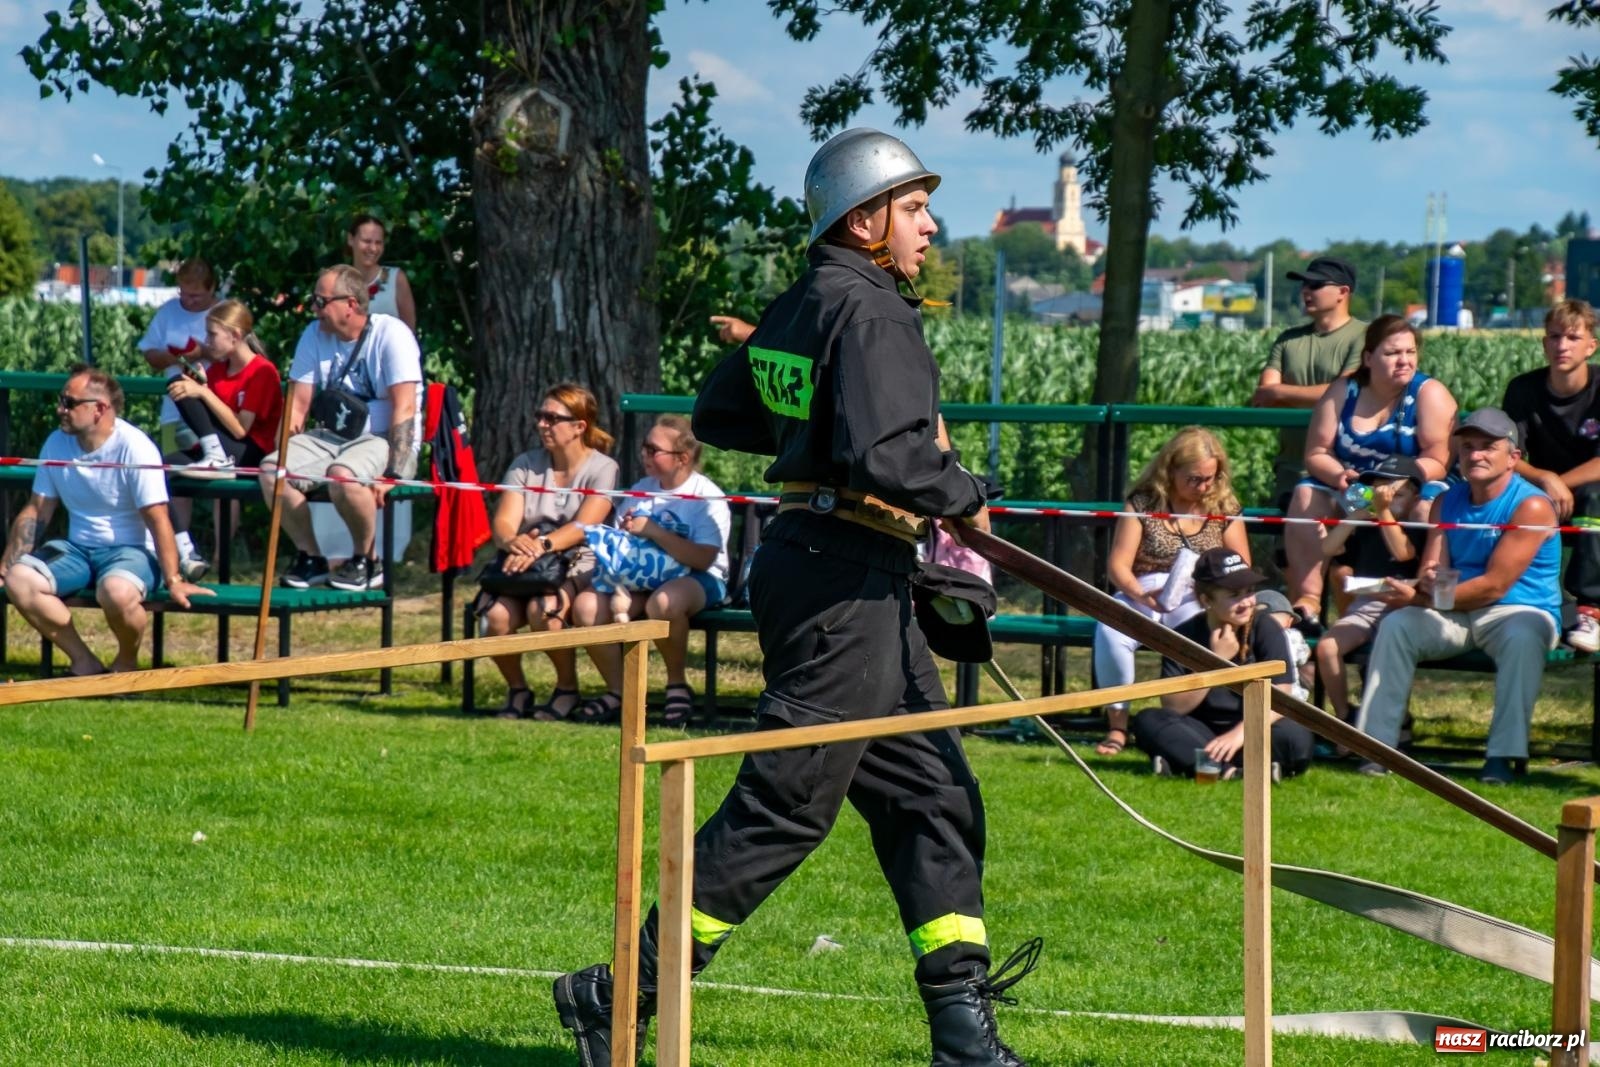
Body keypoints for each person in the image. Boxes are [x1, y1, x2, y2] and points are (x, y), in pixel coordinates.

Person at [553, 128, 1039, 1067]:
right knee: (788, 803)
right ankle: (619, 992)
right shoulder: (874, 310)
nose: (929, 227)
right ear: (864, 221)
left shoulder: (804, 301)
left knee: (933, 794)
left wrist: (816, 434)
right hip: (841, 579)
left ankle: (962, 1037)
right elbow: (891, 455)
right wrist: (964, 490)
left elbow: (721, 412)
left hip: (839, 565)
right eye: (914, 208)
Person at [1355, 408, 1561, 784]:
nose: (1475, 454)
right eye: (1467, 447)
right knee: (1398, 625)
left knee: (1523, 635)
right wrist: (1422, 584)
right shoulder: (1445, 501)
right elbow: (1432, 569)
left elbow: (1494, 585)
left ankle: (1503, 756)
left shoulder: (1531, 506)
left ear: (1513, 457)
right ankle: (1376, 748)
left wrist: (1421, 598)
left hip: (1517, 610)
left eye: (1487, 447)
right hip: (1454, 610)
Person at [0, 367, 211, 675]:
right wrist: (5, 568)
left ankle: (126, 662)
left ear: (99, 409)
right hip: (78, 550)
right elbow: (37, 511)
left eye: (69, 403)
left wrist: (174, 580)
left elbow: (158, 519)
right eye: (61, 401)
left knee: (116, 592)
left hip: (134, 551)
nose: (60, 410)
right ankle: (84, 661)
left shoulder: (135, 447)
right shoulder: (56, 443)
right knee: (20, 581)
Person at [1284, 315, 1456, 631]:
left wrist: (1398, 483)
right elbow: (1317, 452)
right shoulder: (1343, 390)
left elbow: (1438, 458)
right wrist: (1338, 476)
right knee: (1306, 494)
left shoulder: (1428, 393)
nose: (1404, 360)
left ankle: (1422, 592)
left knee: (1425, 508)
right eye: (1392, 353)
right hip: (1353, 486)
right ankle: (1308, 601)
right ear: (1368, 358)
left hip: (1411, 485)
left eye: (1410, 352)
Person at [259, 264, 422, 592]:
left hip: (382, 437)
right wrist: (286, 457)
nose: (314, 307)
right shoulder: (313, 335)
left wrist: (394, 473)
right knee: (270, 472)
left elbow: (404, 407)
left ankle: (367, 560)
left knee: (342, 476)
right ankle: (311, 557)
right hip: (331, 435)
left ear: (350, 304)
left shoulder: (392, 334)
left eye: (321, 301)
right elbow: (297, 407)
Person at [1092, 426, 1251, 757]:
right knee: (1110, 631)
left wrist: (1212, 593)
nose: (1203, 486)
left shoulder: (1225, 505)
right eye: (1194, 479)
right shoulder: (1143, 502)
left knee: (1202, 633)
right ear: (1170, 470)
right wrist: (1141, 595)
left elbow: (1241, 566)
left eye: (1209, 478)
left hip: (1201, 594)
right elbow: (1118, 566)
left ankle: (1190, 718)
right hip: (1144, 590)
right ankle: (1117, 725)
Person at [569, 415, 730, 726]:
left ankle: (676, 684)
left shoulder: (706, 497)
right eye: (644, 448)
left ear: (683, 458)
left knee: (664, 603)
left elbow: (703, 559)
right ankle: (622, 692)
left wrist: (654, 531)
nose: (644, 455)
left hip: (698, 578)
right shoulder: (641, 489)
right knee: (586, 607)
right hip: (641, 578)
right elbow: (621, 546)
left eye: (653, 450)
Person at [480, 384, 618, 720]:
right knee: (494, 618)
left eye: (552, 418)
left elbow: (585, 525)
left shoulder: (603, 468)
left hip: (579, 558)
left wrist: (541, 545)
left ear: (579, 426)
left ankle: (567, 689)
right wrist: (514, 543)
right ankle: (518, 689)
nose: (542, 424)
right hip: (527, 558)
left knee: (543, 610)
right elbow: (504, 523)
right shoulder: (525, 464)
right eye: (540, 416)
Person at [1133, 547, 1313, 780]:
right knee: (1148, 720)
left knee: (1296, 737)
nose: (1247, 602)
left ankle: (1198, 764)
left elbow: (1282, 697)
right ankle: (1237, 769)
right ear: (1206, 600)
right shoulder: (1184, 635)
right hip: (1197, 728)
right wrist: (1215, 664)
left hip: (1252, 726)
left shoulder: (1265, 627)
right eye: (1234, 595)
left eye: (1250, 592)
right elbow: (1174, 707)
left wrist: (1239, 735)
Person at [1501, 299, 1600, 651]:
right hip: (1538, 492)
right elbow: (1507, 456)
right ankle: (1504, 600)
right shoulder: (1523, 389)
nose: (1562, 346)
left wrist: (1559, 483)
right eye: (1555, 337)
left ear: (1591, 346)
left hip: (1589, 497)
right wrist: (1544, 479)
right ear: (1544, 344)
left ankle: (1589, 608)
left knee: (1594, 497)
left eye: (1573, 337)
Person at [1312, 455, 1425, 729]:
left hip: (1402, 609)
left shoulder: (1419, 528)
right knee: (1327, 647)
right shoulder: (1365, 528)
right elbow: (1328, 549)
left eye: (1396, 493)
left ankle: (1397, 721)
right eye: (1379, 491)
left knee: (1388, 658)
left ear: (1415, 498)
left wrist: (1384, 513)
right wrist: (1354, 518)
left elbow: (1403, 553)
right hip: (1365, 606)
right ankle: (1344, 717)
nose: (1386, 498)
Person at [1250, 256, 1367, 507]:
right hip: (1292, 467)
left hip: (1349, 469)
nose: (1305, 291)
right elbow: (1263, 398)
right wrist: (1325, 396)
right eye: (1304, 285)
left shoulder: (1365, 336)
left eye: (1315, 285)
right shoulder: (1287, 339)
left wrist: (1280, 392)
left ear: (1343, 292)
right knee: (1285, 530)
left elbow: (1346, 392)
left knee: (1357, 529)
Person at [137, 256, 219, 577]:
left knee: (223, 486)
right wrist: (173, 356)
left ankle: (222, 554)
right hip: (175, 409)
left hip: (216, 407)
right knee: (176, 480)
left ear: (211, 289)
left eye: (196, 295)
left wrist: (203, 352)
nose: (189, 301)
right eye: (184, 293)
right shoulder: (168, 312)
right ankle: (183, 554)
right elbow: (149, 352)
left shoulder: (221, 312)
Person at [346, 213, 417, 334]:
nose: (373, 248)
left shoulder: (396, 279)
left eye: (378, 243)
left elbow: (409, 331)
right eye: (367, 241)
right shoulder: (338, 282)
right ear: (351, 239)